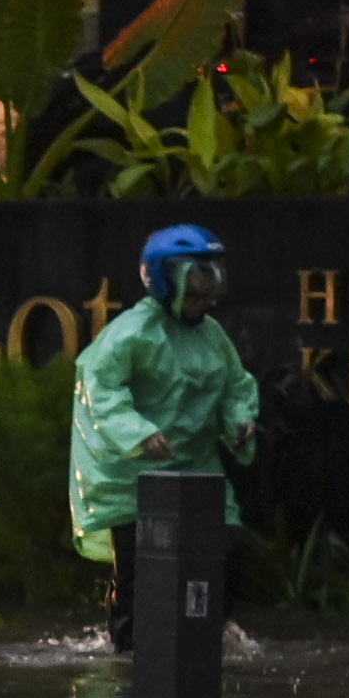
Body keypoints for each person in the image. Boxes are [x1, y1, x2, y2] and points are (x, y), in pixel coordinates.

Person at [69, 223, 260, 651]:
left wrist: (240, 422)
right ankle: (125, 650)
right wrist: (139, 433)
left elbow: (235, 385)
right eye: (193, 295)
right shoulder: (131, 333)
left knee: (226, 547)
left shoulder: (212, 335)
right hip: (133, 476)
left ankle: (208, 634)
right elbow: (102, 389)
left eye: (208, 294)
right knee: (138, 569)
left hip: (197, 467)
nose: (203, 303)